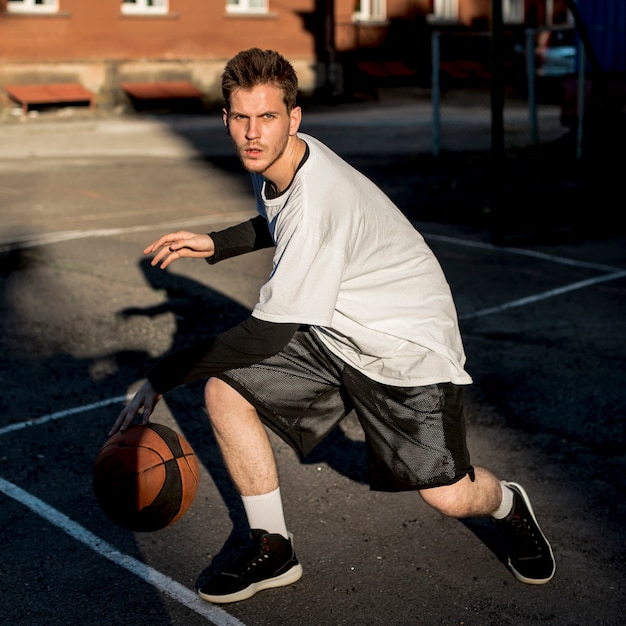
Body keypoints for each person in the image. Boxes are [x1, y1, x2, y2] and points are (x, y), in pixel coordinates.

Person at [111, 48, 555, 604]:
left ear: (294, 118)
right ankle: (273, 547)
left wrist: (160, 376)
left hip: (404, 347)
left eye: (267, 117)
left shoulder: (319, 197)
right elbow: (278, 217)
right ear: (225, 118)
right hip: (337, 329)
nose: (253, 132)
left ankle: (507, 503)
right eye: (242, 118)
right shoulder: (277, 161)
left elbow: (268, 332)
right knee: (225, 392)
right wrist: (217, 243)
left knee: (448, 496)